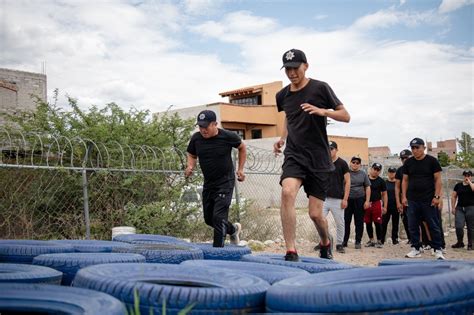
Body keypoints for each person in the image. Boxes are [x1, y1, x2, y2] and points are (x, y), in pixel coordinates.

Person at [273, 48, 350, 261]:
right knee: (287, 192)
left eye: (295, 68)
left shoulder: (320, 88)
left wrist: (323, 111)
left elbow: (346, 116)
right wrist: (282, 138)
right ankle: (291, 249)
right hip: (295, 155)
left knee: (316, 214)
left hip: (318, 159)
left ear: (306, 66)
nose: (291, 73)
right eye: (287, 69)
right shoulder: (283, 95)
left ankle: (326, 241)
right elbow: (290, 116)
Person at [185, 110, 246, 247]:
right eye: (200, 127)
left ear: (215, 124)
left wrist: (240, 169)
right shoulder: (196, 138)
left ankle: (218, 251)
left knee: (219, 218)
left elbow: (242, 147)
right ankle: (233, 229)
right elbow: (191, 154)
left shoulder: (228, 136)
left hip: (225, 182)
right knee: (209, 219)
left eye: (206, 126)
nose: (203, 130)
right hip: (209, 183)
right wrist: (190, 166)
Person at [402, 137, 445, 260]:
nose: (415, 150)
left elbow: (438, 180)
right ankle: (416, 248)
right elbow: (405, 180)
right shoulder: (408, 163)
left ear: (424, 148)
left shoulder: (432, 161)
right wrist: (404, 197)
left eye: (417, 147)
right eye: (413, 148)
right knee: (412, 225)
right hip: (412, 200)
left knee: (433, 225)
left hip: (429, 199)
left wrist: (437, 196)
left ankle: (437, 249)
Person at [314, 140, 350, 254]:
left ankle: (340, 244)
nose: (329, 151)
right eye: (328, 149)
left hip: (338, 199)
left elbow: (348, 181)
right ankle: (324, 241)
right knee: (319, 221)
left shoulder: (342, 163)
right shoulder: (324, 162)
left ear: (336, 150)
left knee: (340, 223)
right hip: (323, 198)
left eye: (332, 149)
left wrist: (345, 199)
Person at [343, 156, 371, 249]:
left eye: (357, 163)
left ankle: (358, 241)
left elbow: (367, 187)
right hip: (348, 200)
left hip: (359, 199)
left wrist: (367, 201)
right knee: (346, 221)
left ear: (360, 165)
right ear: (350, 163)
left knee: (359, 222)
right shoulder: (346, 173)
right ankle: (344, 241)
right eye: (353, 162)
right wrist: (343, 199)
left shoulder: (363, 174)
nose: (355, 164)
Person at [365, 163, 387, 248]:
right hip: (367, 203)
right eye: (374, 169)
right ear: (371, 169)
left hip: (377, 203)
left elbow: (385, 194)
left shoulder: (381, 181)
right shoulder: (365, 179)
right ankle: (371, 240)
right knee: (368, 222)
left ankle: (379, 241)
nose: (376, 171)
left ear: (380, 171)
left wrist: (385, 206)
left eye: (378, 170)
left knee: (378, 222)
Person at [450, 170, 474, 250]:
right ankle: (460, 242)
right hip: (460, 208)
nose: (466, 176)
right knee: (459, 226)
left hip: (470, 207)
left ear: (471, 176)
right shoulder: (458, 185)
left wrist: (469, 182)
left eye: (469, 175)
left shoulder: (472, 184)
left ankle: (471, 244)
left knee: (471, 227)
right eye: (465, 175)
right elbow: (453, 196)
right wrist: (453, 207)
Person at [395, 149, 412, 243]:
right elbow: (397, 187)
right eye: (402, 158)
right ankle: (411, 239)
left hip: (417, 198)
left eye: (406, 157)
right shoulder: (400, 171)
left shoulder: (416, 167)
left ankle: (426, 242)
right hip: (404, 199)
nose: (404, 160)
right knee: (406, 220)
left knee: (421, 221)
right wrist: (398, 202)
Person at [381, 167, 400, 245]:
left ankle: (394, 239)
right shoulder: (384, 183)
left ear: (395, 173)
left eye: (393, 172)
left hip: (395, 206)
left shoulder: (398, 183)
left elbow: (400, 194)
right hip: (386, 206)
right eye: (390, 172)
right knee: (384, 223)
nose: (391, 174)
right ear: (388, 173)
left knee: (395, 223)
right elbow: (381, 194)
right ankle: (382, 239)